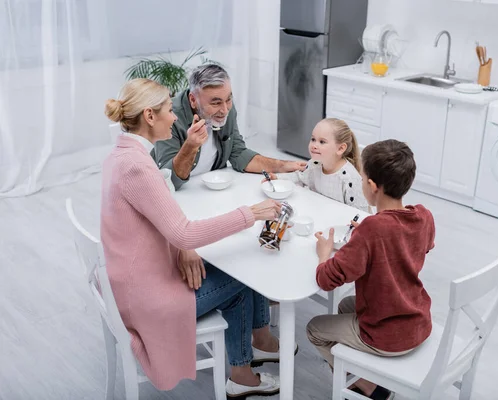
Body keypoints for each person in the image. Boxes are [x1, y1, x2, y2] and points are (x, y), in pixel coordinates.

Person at [102, 78, 286, 398]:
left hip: (134, 283)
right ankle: (255, 352)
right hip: (150, 302)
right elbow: (184, 231)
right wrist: (251, 214)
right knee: (243, 273)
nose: (174, 117)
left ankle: (246, 366)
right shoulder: (136, 166)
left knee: (233, 283)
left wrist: (183, 247)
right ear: (149, 116)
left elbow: (164, 212)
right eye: (167, 111)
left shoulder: (123, 154)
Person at [306, 139, 436, 400]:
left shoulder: (371, 229)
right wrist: (366, 244)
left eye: (363, 178)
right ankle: (363, 373)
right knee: (345, 306)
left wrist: (324, 254)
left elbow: (327, 279)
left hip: (388, 336)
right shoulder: (423, 215)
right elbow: (419, 246)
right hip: (418, 319)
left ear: (372, 187)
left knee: (314, 329)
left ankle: (367, 386)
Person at [152, 63, 306, 190]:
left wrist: (283, 165)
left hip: (212, 190)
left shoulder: (226, 109)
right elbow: (168, 180)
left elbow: (238, 153)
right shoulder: (169, 116)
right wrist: (190, 146)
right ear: (193, 100)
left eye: (228, 99)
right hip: (178, 197)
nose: (225, 110)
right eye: (216, 102)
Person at [264, 118, 369, 213]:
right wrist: (278, 178)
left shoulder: (350, 179)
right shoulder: (315, 164)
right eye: (313, 139)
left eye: (322, 142)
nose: (314, 145)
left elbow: (360, 214)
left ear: (340, 149)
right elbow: (300, 178)